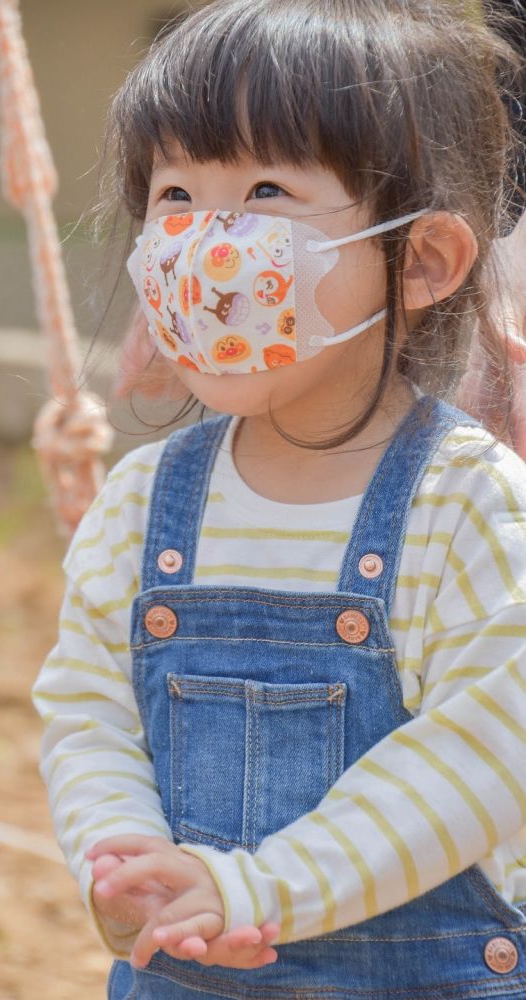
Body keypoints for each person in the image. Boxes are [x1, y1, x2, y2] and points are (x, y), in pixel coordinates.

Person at [32, 1, 526, 996]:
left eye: (263, 189)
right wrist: (121, 858)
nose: (203, 244)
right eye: (175, 193)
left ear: (421, 259)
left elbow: (483, 754)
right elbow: (87, 708)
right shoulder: (143, 502)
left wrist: (256, 886)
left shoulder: (467, 506)